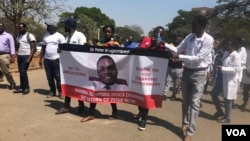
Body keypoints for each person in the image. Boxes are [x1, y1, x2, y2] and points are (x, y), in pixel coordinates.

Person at [165, 15, 214, 141]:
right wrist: (163, 44)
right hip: (187, 71)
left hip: (199, 73)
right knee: (185, 101)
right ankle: (185, 124)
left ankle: (190, 132)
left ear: (202, 26)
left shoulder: (208, 40)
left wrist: (179, 57)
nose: (192, 26)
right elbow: (177, 49)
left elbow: (198, 58)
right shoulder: (190, 36)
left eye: (195, 24)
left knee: (195, 103)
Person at [81, 25, 122, 122]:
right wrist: (89, 47)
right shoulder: (100, 43)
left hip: (110, 72)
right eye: (106, 32)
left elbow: (119, 51)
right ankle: (91, 114)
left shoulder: (115, 43)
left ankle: (115, 113)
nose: (107, 33)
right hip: (100, 72)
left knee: (111, 94)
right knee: (95, 91)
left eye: (109, 32)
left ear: (112, 33)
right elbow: (95, 51)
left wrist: (113, 46)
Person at [135, 26, 165, 131]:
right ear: (154, 33)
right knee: (139, 94)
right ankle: (140, 111)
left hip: (154, 74)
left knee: (147, 96)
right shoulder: (147, 40)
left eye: (161, 34)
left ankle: (144, 119)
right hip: (142, 71)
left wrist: (162, 46)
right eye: (157, 33)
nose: (159, 35)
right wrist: (151, 45)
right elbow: (139, 51)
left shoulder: (163, 45)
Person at [81, 55, 128, 122]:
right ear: (97, 72)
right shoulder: (92, 84)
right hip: (97, 89)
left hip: (115, 90)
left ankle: (115, 113)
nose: (106, 72)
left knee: (112, 96)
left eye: (110, 68)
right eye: (102, 69)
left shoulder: (124, 86)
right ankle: (91, 114)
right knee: (94, 96)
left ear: (116, 71)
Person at [55, 18, 87, 115]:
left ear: (70, 26)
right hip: (69, 67)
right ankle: (66, 106)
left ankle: (81, 106)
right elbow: (65, 48)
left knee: (79, 86)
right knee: (68, 85)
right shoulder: (67, 36)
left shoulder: (80, 36)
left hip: (79, 67)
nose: (64, 27)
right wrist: (61, 50)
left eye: (65, 25)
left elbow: (83, 49)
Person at [216, 38, 241, 123]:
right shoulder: (228, 54)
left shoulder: (236, 56)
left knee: (228, 100)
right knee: (226, 99)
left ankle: (227, 117)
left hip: (231, 81)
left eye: (229, 44)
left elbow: (236, 69)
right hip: (226, 79)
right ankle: (226, 116)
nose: (227, 46)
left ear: (233, 46)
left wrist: (223, 68)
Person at [39, 22, 66, 99]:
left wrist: (60, 50)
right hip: (47, 60)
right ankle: (52, 91)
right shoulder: (45, 36)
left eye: (49, 26)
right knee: (49, 76)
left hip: (56, 59)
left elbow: (64, 47)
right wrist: (41, 59)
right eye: (47, 26)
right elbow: (43, 48)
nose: (48, 27)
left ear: (54, 27)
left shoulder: (60, 36)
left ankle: (61, 91)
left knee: (58, 76)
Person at [13, 23, 36, 94]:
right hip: (20, 55)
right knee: (21, 72)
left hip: (26, 55)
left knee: (23, 71)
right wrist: (15, 54)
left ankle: (26, 88)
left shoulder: (30, 36)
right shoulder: (18, 36)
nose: (19, 30)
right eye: (18, 28)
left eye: (20, 28)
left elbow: (33, 48)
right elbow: (18, 46)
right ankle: (21, 87)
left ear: (25, 28)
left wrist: (29, 58)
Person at [163, 35, 183, 101]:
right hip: (170, 66)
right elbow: (166, 53)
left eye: (178, 40)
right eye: (175, 39)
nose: (176, 41)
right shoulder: (170, 47)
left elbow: (184, 58)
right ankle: (164, 94)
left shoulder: (183, 48)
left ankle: (173, 94)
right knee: (167, 81)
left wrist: (178, 59)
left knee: (176, 82)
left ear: (180, 42)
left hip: (178, 67)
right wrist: (170, 57)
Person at [0, 22, 16, 90]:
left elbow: (12, 46)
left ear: (4, 27)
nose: (0, 28)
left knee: (6, 71)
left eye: (1, 26)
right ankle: (1, 76)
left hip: (5, 55)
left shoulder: (8, 36)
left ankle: (12, 83)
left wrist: (13, 56)